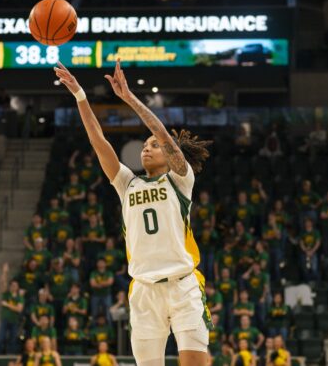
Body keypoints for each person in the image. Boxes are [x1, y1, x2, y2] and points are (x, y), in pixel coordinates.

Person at [54, 60, 213, 365]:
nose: (147, 148)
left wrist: (129, 98)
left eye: (154, 145)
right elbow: (98, 141)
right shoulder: (127, 183)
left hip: (183, 287)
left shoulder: (180, 179)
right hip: (143, 291)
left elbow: (163, 134)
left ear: (169, 156)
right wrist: (79, 96)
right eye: (144, 145)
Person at [0, 263, 25, 355]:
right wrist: (4, 272)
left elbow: (19, 309)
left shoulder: (20, 297)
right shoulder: (6, 294)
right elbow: (3, 283)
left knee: (13, 340)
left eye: (15, 286)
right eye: (12, 285)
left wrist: (7, 305)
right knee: (1, 339)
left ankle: (10, 356)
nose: (13, 287)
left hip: (14, 321)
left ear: (17, 287)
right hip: (5, 319)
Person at [299, 218, 321, 282]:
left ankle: (316, 283)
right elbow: (301, 242)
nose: (307, 224)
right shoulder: (302, 232)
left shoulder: (315, 232)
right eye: (306, 222)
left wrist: (312, 251)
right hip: (305, 253)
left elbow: (318, 242)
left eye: (308, 222)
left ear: (311, 223)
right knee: (305, 269)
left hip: (313, 252)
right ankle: (307, 283)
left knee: (314, 268)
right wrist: (306, 250)